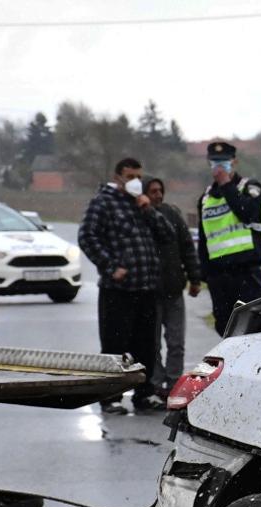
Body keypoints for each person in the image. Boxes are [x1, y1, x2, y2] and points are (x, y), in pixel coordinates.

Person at [77, 156, 172, 414]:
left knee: (146, 346)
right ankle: (111, 397)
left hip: (146, 287)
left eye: (138, 177)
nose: (135, 182)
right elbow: (87, 236)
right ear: (118, 177)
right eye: (130, 177)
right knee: (114, 346)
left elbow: (167, 234)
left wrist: (148, 209)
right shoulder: (103, 202)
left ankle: (144, 393)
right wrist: (110, 266)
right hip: (117, 290)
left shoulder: (141, 203)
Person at [196, 139, 261, 333]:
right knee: (225, 328)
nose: (219, 166)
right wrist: (205, 274)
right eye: (215, 161)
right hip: (219, 276)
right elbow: (204, 239)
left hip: (246, 272)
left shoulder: (249, 187)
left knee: (254, 327)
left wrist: (226, 184)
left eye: (224, 161)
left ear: (234, 161)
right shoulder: (206, 198)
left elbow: (248, 213)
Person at [145, 178, 203, 407]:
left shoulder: (172, 215)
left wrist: (195, 279)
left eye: (160, 190)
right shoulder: (138, 217)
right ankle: (155, 384)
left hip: (173, 290)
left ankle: (173, 385)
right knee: (152, 344)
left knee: (176, 342)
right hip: (149, 292)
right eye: (153, 191)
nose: (158, 195)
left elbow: (187, 247)